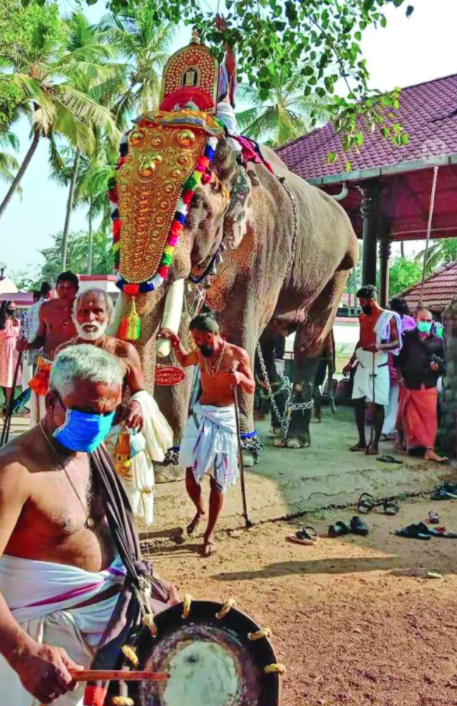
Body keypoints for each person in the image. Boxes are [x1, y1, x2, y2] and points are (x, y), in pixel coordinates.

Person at [0, 345, 179, 706]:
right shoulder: (14, 472)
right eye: (85, 411)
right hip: (49, 646)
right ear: (51, 402)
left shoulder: (93, 450)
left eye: (107, 412)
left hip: (112, 630)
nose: (98, 421)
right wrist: (23, 653)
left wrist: (147, 586)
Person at [58, 289, 173, 525]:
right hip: (75, 439)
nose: (90, 318)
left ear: (109, 316)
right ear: (74, 316)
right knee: (79, 501)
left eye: (97, 311)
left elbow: (140, 391)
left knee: (120, 503)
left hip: (115, 437)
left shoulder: (124, 351)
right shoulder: (65, 353)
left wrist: (138, 406)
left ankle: (120, 552)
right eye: (84, 312)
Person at [160, 313, 255, 557]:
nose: (197, 344)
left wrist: (241, 377)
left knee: (218, 480)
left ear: (211, 336)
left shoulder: (237, 355)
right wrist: (175, 341)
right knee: (190, 471)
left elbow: (252, 387)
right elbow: (183, 360)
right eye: (194, 340)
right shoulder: (201, 353)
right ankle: (200, 511)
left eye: (199, 340)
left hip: (224, 420)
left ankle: (209, 533)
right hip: (201, 415)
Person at [343, 285, 399, 455]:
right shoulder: (362, 317)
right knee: (358, 403)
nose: (360, 304)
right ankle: (361, 441)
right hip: (363, 364)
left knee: (378, 404)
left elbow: (396, 342)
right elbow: (360, 341)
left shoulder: (389, 317)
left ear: (371, 301)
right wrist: (350, 361)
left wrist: (380, 345)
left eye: (362, 301)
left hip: (379, 364)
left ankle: (375, 444)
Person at [17, 272, 79, 426]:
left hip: (74, 366)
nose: (65, 290)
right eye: (61, 286)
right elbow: (41, 336)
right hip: (47, 365)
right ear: (56, 288)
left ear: (77, 289)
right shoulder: (46, 308)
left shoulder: (83, 309)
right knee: (45, 412)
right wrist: (28, 345)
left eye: (69, 287)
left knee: (68, 411)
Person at [395, 307, 447, 463]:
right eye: (423, 320)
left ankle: (429, 450)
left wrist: (436, 367)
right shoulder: (407, 338)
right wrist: (400, 378)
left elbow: (444, 365)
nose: (426, 323)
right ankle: (411, 445)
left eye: (429, 321)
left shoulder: (438, 341)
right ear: (415, 319)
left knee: (429, 418)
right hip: (409, 384)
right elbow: (398, 361)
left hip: (427, 384)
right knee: (407, 416)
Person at [382, 297, 416, 438]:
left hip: (402, 362)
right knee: (385, 396)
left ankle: (388, 428)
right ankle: (384, 426)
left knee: (395, 397)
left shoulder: (409, 321)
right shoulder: (386, 320)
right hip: (387, 359)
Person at [20, 282, 55, 404]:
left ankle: (26, 407)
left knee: (36, 383)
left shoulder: (30, 309)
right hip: (45, 353)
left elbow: (25, 330)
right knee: (42, 384)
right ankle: (17, 404)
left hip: (32, 350)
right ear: (50, 293)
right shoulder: (49, 307)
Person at [0, 301, 22, 409]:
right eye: (10, 307)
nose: (13, 309)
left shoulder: (16, 321)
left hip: (13, 351)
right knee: (4, 376)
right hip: (3, 349)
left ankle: (9, 404)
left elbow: (19, 335)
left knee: (10, 379)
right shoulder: (1, 321)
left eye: (14, 307)